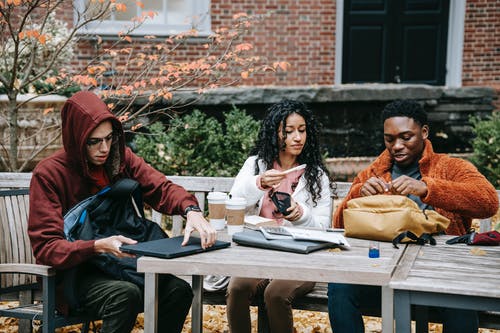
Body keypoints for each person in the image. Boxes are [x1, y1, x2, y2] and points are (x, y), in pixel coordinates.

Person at [28, 91, 217, 333]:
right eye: (94, 141)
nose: (104, 148)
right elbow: (46, 248)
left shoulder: (120, 159)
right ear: (76, 138)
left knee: (178, 291)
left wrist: (191, 210)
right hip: (77, 275)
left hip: (122, 267)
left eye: (109, 138)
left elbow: (160, 187)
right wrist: (96, 245)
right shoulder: (49, 174)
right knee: (125, 295)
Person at [328, 99, 499, 333]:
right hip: (383, 272)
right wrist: (357, 193)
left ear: (424, 132)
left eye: (406, 137)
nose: (397, 145)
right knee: (340, 287)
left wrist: (429, 189)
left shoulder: (451, 168)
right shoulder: (374, 173)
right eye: (389, 139)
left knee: (460, 299)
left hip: (440, 273)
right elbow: (339, 225)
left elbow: (488, 202)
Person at [226, 99, 334, 332]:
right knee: (237, 288)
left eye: (302, 131)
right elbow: (233, 204)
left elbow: (323, 228)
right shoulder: (256, 165)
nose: (298, 137)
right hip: (259, 255)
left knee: (275, 294)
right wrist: (259, 183)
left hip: (300, 259)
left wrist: (300, 215)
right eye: (289, 131)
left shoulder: (316, 176)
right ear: (275, 134)